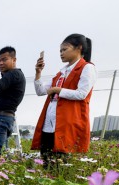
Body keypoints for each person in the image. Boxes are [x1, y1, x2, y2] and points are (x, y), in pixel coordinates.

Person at [30, 34, 96, 169]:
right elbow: (41, 91)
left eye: (64, 49)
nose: (61, 53)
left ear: (79, 48)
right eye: (60, 50)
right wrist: (38, 73)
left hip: (67, 121)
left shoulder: (87, 67)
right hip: (50, 120)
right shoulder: (60, 73)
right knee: (46, 159)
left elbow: (82, 94)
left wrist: (58, 90)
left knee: (60, 162)